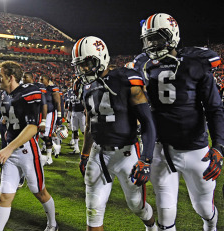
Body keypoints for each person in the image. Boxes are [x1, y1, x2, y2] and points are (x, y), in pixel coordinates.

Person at [134, 13, 224, 231]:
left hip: (194, 148)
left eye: (156, 38)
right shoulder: (143, 64)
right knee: (165, 213)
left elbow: (214, 108)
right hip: (160, 149)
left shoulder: (196, 62)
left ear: (172, 36)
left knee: (203, 207)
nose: (152, 44)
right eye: (149, 39)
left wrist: (219, 146)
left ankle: (210, 226)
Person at [72, 36, 157, 231]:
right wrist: (85, 154)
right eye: (80, 65)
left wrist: (146, 159)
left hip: (127, 153)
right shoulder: (84, 86)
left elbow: (147, 121)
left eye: (87, 63)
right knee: (93, 212)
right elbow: (89, 124)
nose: (83, 69)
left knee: (137, 206)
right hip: (98, 153)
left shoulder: (126, 79)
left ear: (100, 58)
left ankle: (152, 226)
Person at [0, 61, 58, 231]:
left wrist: (8, 148)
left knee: (39, 192)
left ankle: (53, 224)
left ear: (11, 77)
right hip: (11, 153)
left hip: (26, 150)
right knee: (4, 197)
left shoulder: (29, 92)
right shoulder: (3, 95)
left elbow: (32, 127)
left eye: (1, 76)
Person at [39, 75, 62, 164]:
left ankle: (49, 157)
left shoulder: (53, 88)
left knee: (46, 135)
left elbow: (58, 103)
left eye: (42, 79)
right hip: (41, 113)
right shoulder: (40, 88)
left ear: (47, 81)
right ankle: (55, 146)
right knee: (40, 134)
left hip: (50, 114)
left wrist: (59, 116)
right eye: (39, 79)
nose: (40, 81)